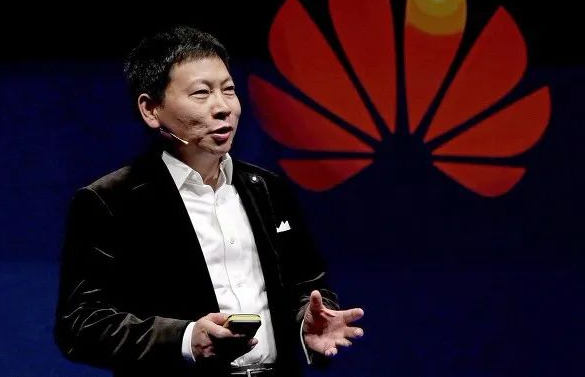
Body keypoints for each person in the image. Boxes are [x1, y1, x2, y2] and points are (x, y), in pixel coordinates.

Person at [54, 25, 364, 377]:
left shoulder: (268, 189)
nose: (223, 107)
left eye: (228, 90)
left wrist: (307, 320)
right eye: (201, 93)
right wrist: (186, 339)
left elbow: (307, 284)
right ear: (151, 109)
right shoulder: (110, 201)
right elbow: (80, 325)